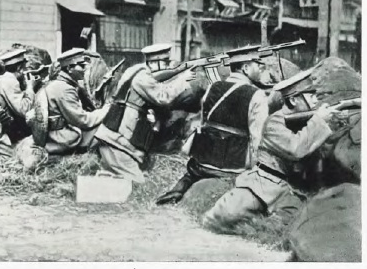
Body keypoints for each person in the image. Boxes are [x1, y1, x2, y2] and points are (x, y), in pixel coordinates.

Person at [202, 69, 338, 231]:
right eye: (311, 96)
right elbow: (295, 149)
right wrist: (319, 121)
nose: (316, 102)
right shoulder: (275, 122)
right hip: (263, 185)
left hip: (290, 191)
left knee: (294, 223)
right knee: (221, 217)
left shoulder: (306, 123)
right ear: (293, 100)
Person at [156, 45, 270, 205]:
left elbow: (205, 122)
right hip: (233, 167)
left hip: (201, 164)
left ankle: (179, 189)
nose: (261, 69)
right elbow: (258, 141)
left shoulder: (213, 87)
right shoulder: (257, 95)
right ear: (245, 68)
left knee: (191, 173)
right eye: (258, 65)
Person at [94, 43, 196, 183]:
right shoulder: (142, 78)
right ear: (154, 63)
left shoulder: (133, 71)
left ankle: (100, 182)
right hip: (117, 142)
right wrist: (182, 81)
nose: (168, 66)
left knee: (117, 176)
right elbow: (162, 97)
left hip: (113, 137)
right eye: (165, 62)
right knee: (137, 184)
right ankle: (94, 189)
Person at [43, 48, 110, 155]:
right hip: (62, 138)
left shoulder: (57, 84)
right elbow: (82, 120)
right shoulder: (64, 88)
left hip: (53, 134)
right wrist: (105, 111)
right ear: (69, 68)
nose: (85, 69)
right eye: (81, 66)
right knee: (105, 129)